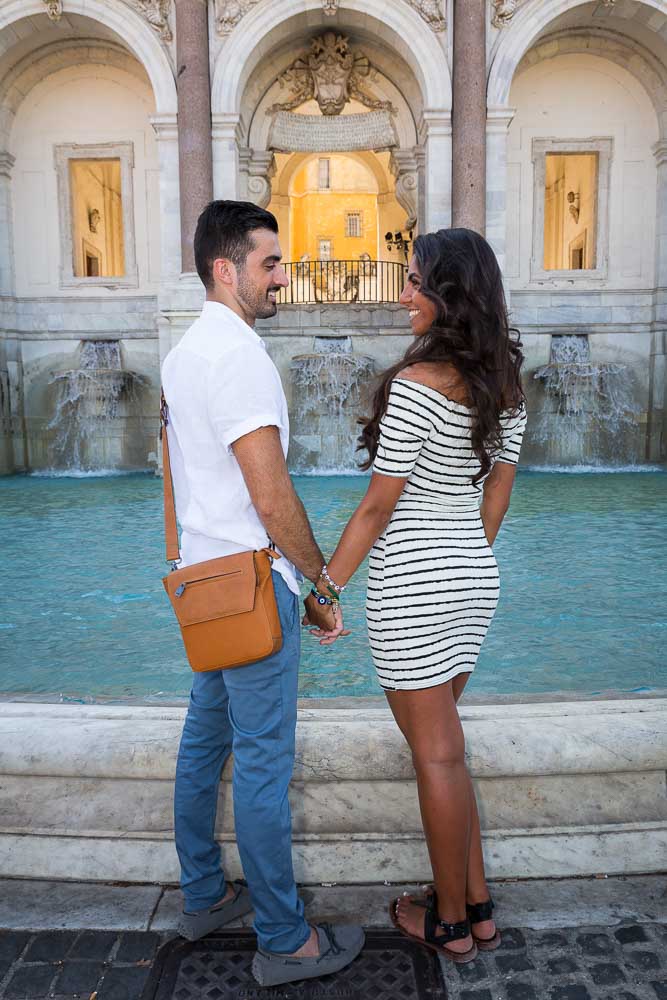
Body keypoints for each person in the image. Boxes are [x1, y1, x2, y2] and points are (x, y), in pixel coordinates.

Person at [306, 228, 527, 964]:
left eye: (413, 282)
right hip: (472, 575)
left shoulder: (415, 387)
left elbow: (375, 508)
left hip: (414, 584)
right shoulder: (505, 381)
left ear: (449, 293)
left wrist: (325, 588)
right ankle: (477, 906)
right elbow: (496, 496)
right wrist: (462, 560)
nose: (402, 295)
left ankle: (449, 924)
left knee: (434, 757)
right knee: (447, 753)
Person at [161, 200, 364, 988]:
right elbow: (272, 497)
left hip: (202, 580)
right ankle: (284, 940)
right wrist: (318, 583)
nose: (282, 276)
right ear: (226, 268)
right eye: (269, 263)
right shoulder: (240, 355)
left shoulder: (185, 352)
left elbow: (177, 478)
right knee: (261, 765)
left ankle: (204, 896)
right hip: (251, 582)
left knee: (202, 745)